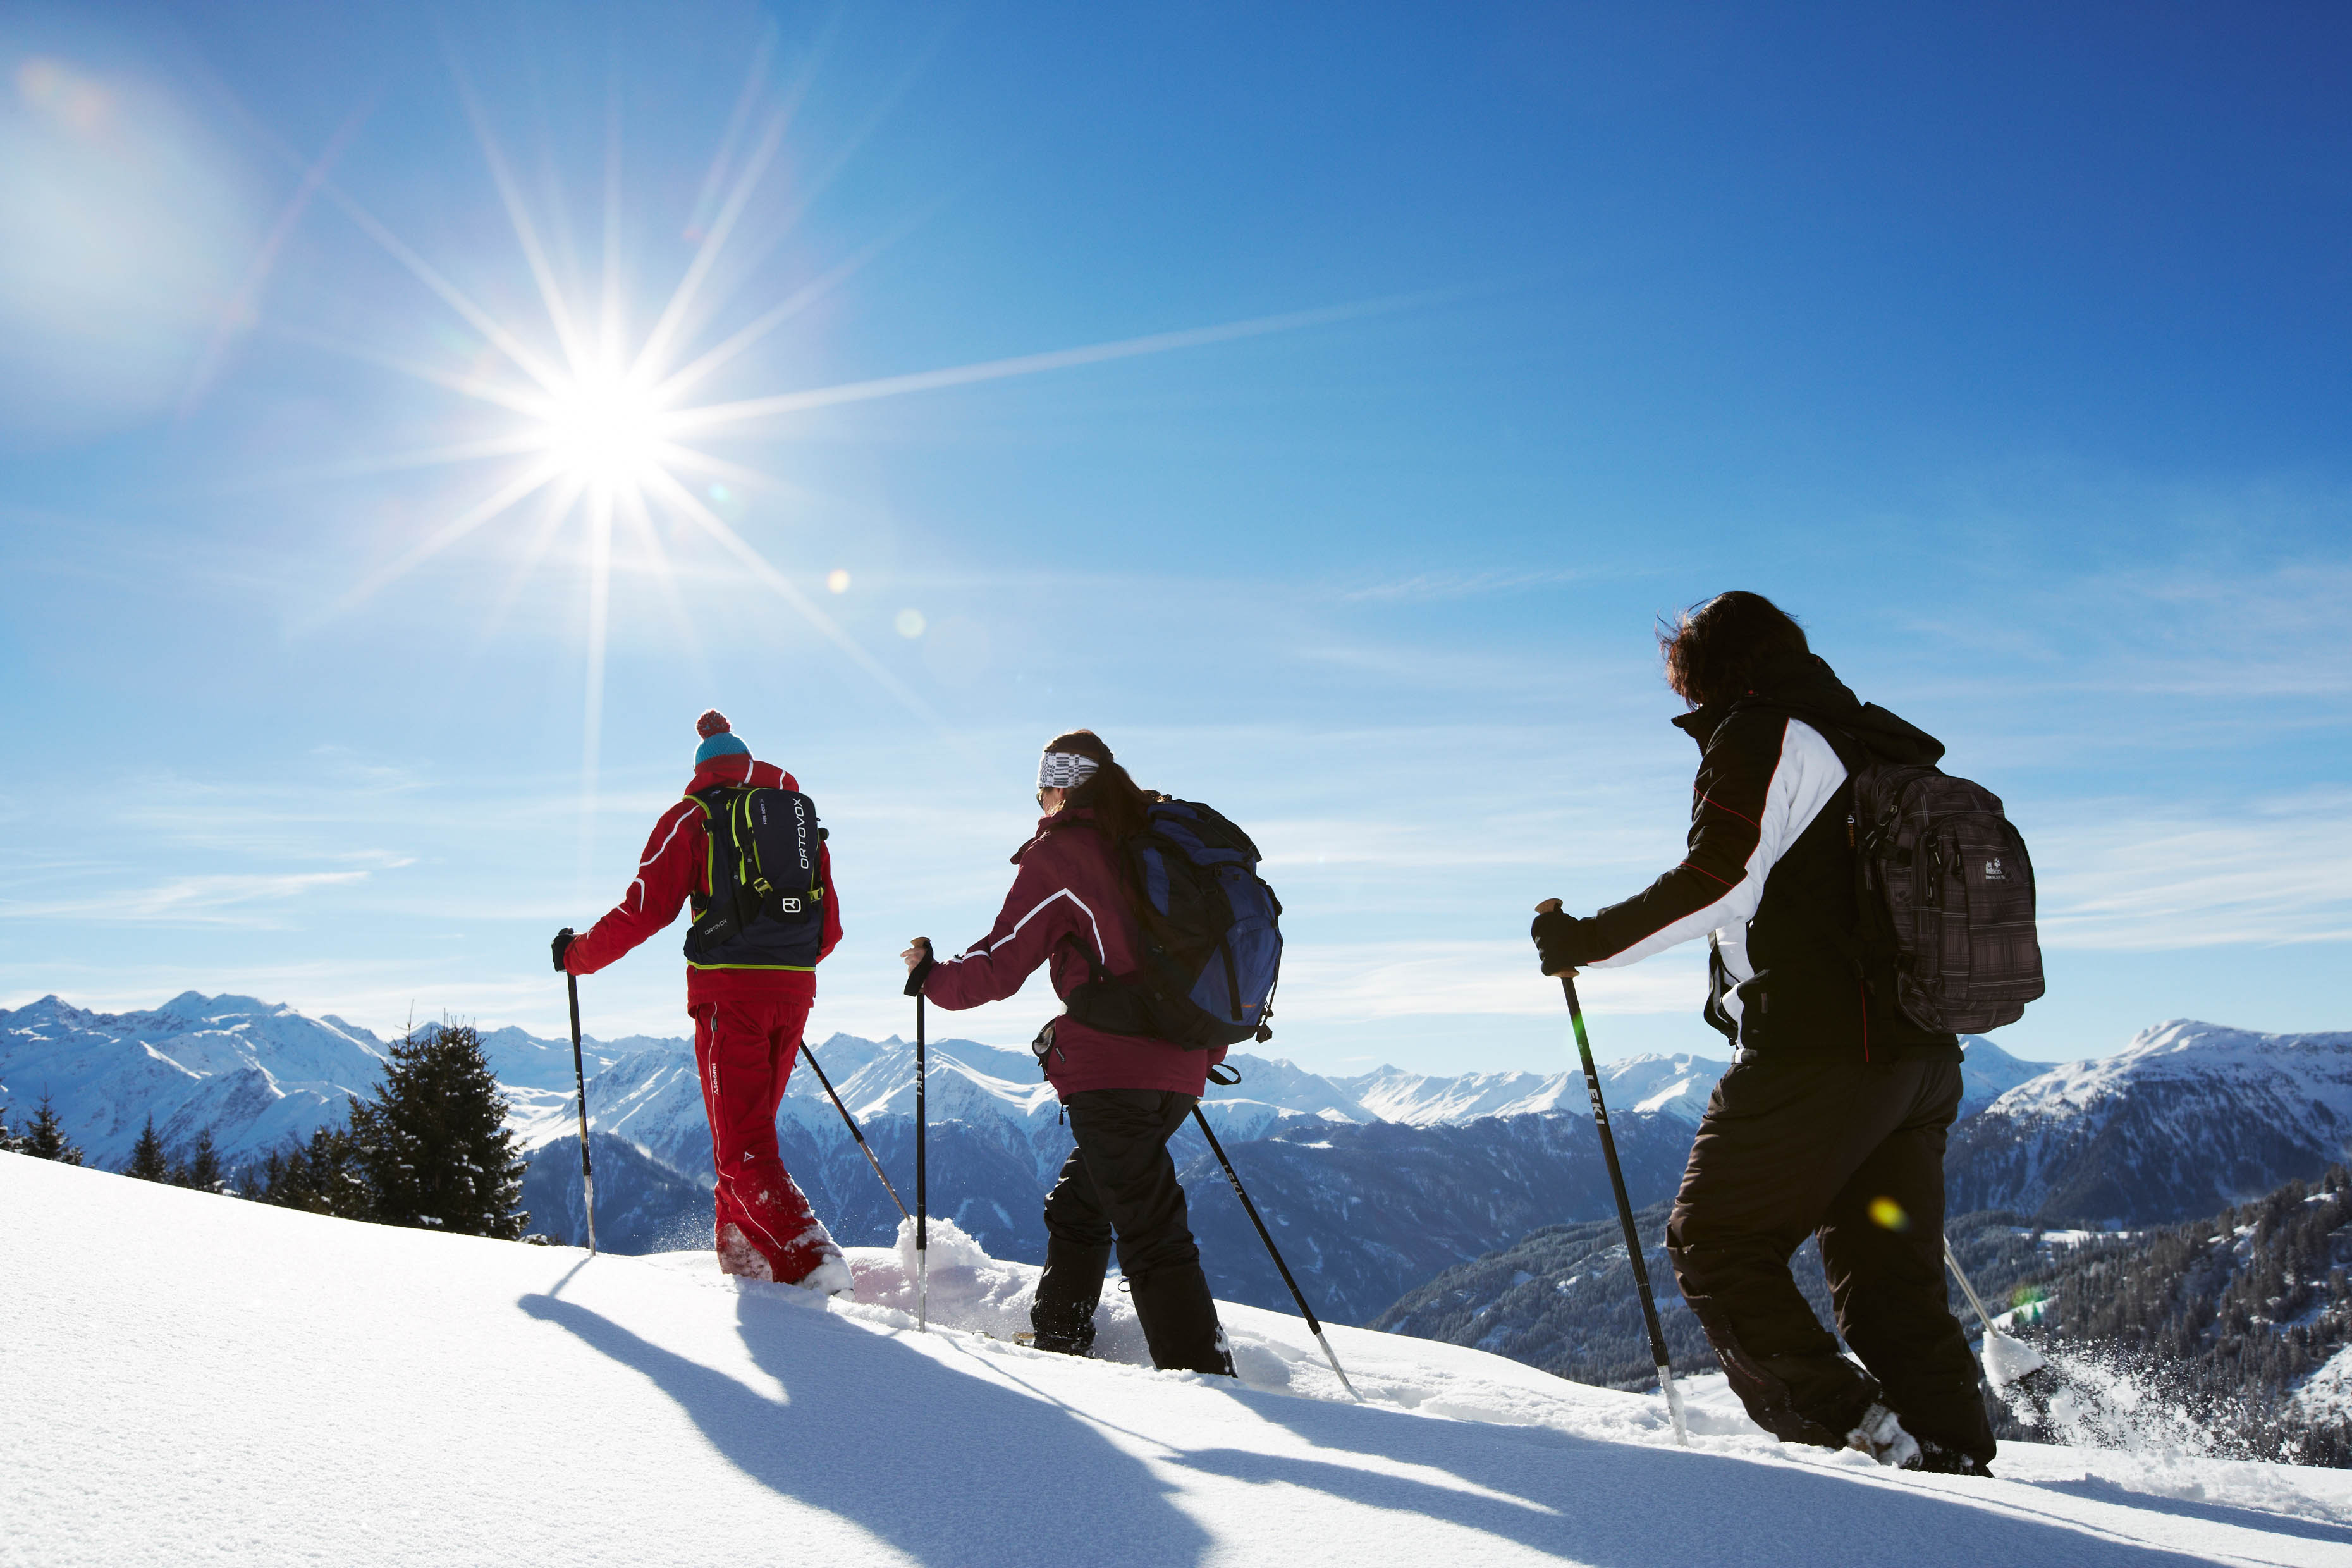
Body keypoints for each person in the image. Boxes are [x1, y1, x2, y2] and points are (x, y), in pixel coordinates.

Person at [1528, 591, 1995, 1475]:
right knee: (1889, 1284)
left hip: (1821, 1050)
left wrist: (1585, 940)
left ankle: (1860, 1434)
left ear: (1709, 672)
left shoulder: (1764, 733)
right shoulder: (1873, 742)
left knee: (1716, 1239)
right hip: (1921, 1052)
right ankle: (1951, 1460)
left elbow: (1719, 879)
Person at [901, 730, 1235, 1376]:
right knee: (1082, 1204)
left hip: (1113, 1070)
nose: (1041, 805)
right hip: (1182, 1066)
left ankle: (1207, 1380)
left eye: (1041, 792)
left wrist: (933, 978)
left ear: (1061, 787)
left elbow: (1001, 964)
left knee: (1150, 1231)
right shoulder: (1152, 843)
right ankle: (1061, 1338)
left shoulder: (1064, 853)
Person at [553, 709, 849, 1293]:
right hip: (794, 993)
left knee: (743, 1148)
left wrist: (577, 956)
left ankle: (810, 1257)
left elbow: (644, 910)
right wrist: (779, 970)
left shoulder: (693, 817)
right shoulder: (797, 823)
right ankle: (749, 1270)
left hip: (729, 997)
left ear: (702, 769)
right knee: (744, 1136)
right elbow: (829, 930)